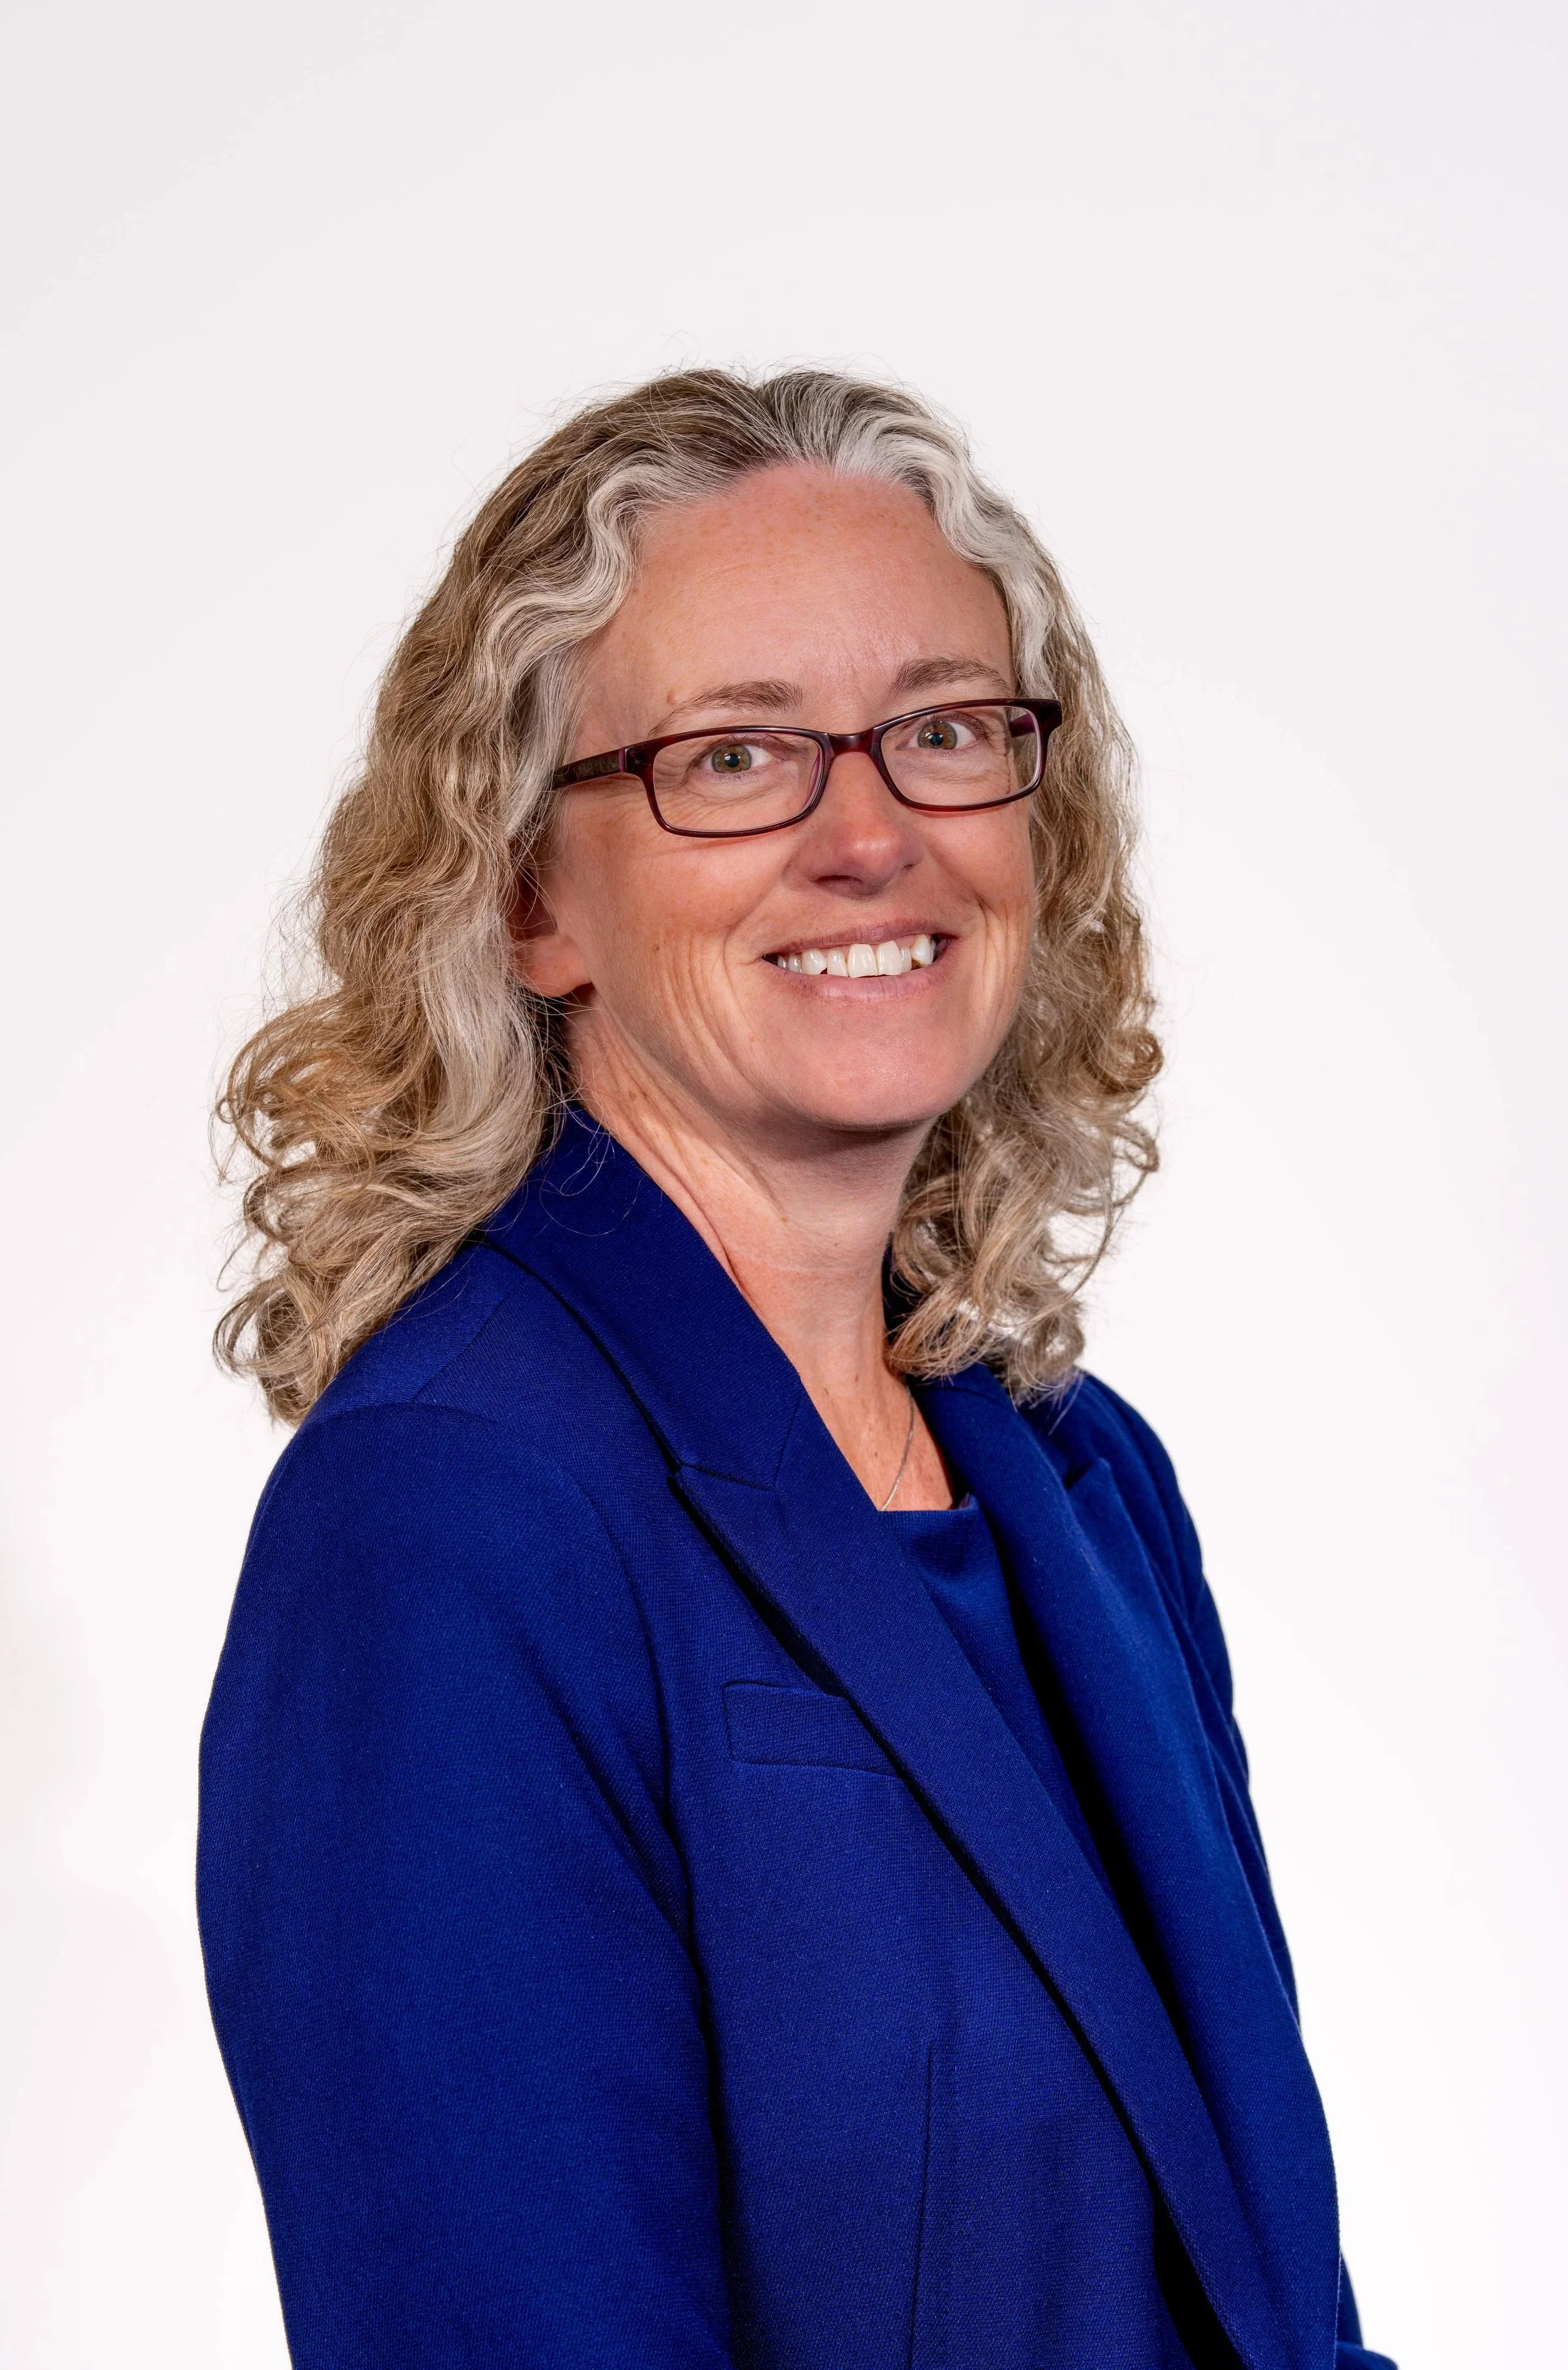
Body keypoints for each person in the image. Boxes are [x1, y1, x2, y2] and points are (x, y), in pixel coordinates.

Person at [199, 368, 1396, 2370]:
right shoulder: (445, 1516)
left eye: (942, 732)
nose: (871, 837)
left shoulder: (1082, 1484)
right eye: (736, 757)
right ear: (523, 895)